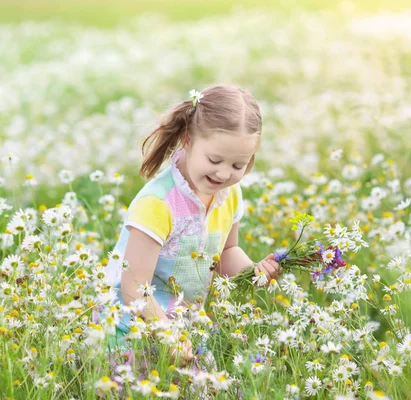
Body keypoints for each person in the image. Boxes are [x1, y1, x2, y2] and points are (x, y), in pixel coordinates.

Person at [104, 84, 282, 365]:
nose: (224, 173)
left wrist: (253, 272)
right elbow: (134, 287)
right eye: (214, 160)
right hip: (132, 327)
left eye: (239, 166)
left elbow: (226, 251)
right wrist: (167, 335)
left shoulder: (229, 195)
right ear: (187, 140)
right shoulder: (158, 203)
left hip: (185, 326)